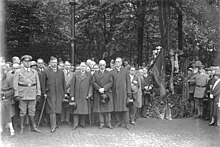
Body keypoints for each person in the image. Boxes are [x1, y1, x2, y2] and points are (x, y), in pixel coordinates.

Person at [13, 55, 42, 135]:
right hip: (23, 94)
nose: (28, 63)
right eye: (26, 61)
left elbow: (38, 84)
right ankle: (22, 128)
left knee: (32, 111)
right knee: (23, 112)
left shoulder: (34, 72)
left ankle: (34, 127)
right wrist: (16, 94)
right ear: (22, 62)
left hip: (32, 94)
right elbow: (15, 84)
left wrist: (38, 93)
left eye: (29, 61)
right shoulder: (18, 72)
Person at [41, 56, 66, 133]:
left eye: (55, 62)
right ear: (50, 63)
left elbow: (63, 83)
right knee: (52, 109)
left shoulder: (61, 72)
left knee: (58, 108)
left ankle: (57, 123)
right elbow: (43, 84)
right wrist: (44, 93)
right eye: (53, 62)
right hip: (50, 93)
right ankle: (53, 126)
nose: (54, 64)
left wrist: (64, 93)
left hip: (59, 93)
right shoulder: (46, 71)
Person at [70, 62, 93, 130]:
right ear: (79, 67)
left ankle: (82, 123)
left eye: (84, 66)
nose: (82, 67)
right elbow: (72, 85)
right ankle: (75, 124)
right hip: (77, 95)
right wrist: (72, 95)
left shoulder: (89, 75)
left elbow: (91, 85)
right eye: (81, 66)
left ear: (86, 67)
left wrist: (89, 94)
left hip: (85, 95)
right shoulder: (75, 74)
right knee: (76, 110)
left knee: (84, 110)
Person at [92, 60, 114, 129]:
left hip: (107, 92)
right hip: (99, 93)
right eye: (100, 65)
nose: (102, 66)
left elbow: (111, 82)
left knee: (107, 109)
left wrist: (104, 88)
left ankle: (108, 122)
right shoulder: (95, 73)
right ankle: (101, 123)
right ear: (99, 65)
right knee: (100, 110)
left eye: (103, 65)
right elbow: (93, 82)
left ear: (105, 65)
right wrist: (99, 89)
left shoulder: (109, 73)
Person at [112, 57, 132, 130]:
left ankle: (127, 123)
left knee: (125, 109)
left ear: (121, 63)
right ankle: (118, 122)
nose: (117, 63)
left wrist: (129, 92)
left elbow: (128, 82)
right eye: (116, 62)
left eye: (118, 62)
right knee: (116, 108)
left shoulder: (125, 71)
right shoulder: (112, 71)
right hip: (115, 93)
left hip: (123, 93)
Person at [1, 68, 15, 137]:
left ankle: (11, 130)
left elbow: (12, 90)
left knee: (7, 114)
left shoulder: (8, 79)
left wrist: (4, 94)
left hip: (6, 99)